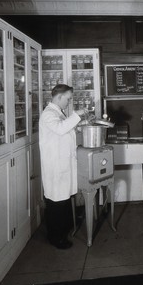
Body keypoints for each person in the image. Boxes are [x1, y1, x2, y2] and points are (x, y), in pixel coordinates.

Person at [39, 84, 88, 249]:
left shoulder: (57, 113)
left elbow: (65, 130)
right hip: (55, 167)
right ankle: (56, 238)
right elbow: (60, 129)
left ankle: (62, 230)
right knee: (56, 202)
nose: (69, 102)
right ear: (59, 96)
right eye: (68, 98)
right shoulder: (48, 114)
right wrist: (77, 115)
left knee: (63, 200)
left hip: (62, 165)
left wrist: (78, 124)